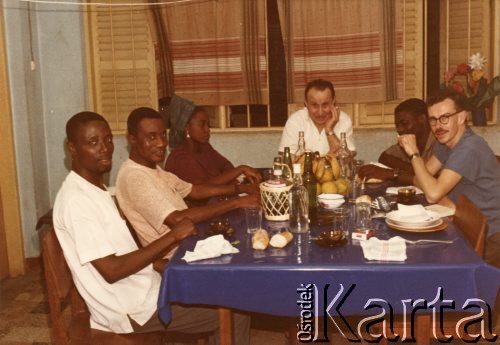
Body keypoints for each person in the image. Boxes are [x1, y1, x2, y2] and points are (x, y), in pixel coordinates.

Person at [53, 112, 250, 341]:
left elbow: (121, 251)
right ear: (73, 148)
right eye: (93, 142)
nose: (105, 148)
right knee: (236, 312)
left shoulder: (95, 190)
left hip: (143, 288)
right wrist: (173, 236)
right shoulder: (77, 201)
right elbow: (112, 270)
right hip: (130, 309)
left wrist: (160, 265)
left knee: (226, 287)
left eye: (107, 140)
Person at [115, 107, 261, 250]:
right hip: (178, 255)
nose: (161, 143)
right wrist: (237, 202)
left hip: (192, 240)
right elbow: (177, 219)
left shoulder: (154, 170)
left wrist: (242, 189)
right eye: (152, 137)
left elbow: (194, 190)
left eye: (163, 135)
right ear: (132, 139)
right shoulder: (134, 177)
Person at [397, 89, 500, 268]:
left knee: (424, 262)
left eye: (445, 117)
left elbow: (432, 194)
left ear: (461, 117)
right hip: (464, 223)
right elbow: (419, 180)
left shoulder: (470, 147)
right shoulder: (446, 142)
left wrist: (414, 154)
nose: (438, 126)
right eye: (433, 119)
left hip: (489, 235)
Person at [165, 106, 262, 185]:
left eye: (208, 124)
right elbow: (204, 188)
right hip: (199, 207)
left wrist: (231, 180)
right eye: (202, 124)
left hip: (216, 201)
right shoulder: (180, 157)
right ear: (187, 128)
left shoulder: (204, 147)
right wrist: (241, 169)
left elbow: (226, 165)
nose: (207, 129)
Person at [358, 98, 436, 184]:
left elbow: (432, 178)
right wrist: (413, 169)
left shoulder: (439, 142)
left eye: (405, 123)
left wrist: (393, 173)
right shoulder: (409, 141)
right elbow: (384, 157)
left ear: (422, 118)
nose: (399, 129)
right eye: (397, 125)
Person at [278, 79, 355, 157]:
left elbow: (346, 159)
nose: (320, 112)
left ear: (333, 102)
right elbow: (288, 160)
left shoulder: (343, 120)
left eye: (325, 105)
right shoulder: (295, 121)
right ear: (306, 103)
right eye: (314, 105)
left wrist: (329, 131)